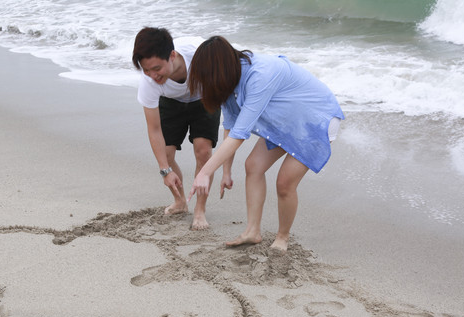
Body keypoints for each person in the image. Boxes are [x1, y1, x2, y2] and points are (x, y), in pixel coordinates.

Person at [187, 36, 344, 251]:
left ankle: (282, 237)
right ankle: (253, 231)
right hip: (283, 120)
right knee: (253, 166)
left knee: (285, 182)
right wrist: (226, 171)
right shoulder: (226, 83)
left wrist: (204, 172)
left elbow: (239, 135)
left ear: (219, 71)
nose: (206, 85)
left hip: (315, 118)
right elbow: (231, 127)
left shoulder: (260, 74)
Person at [132, 27, 221, 230]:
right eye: (146, 70)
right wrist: (165, 171)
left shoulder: (200, 54)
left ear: (172, 55)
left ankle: (200, 209)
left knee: (203, 151)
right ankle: (180, 202)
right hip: (171, 102)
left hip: (204, 97)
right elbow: (154, 129)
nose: (152, 75)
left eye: (156, 68)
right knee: (166, 154)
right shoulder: (149, 82)